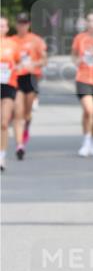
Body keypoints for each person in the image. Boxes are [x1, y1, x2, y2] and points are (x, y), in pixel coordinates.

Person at [13, 12, 47, 160]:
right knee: (18, 112)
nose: (22, 26)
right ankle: (20, 145)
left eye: (25, 23)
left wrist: (34, 63)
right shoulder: (11, 40)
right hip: (16, 78)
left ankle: (26, 127)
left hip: (31, 77)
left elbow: (44, 60)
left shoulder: (36, 41)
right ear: (16, 25)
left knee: (27, 112)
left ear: (29, 25)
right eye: (20, 23)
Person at [71, 11, 93, 157]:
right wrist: (78, 60)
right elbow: (73, 55)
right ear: (86, 23)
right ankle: (86, 141)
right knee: (89, 110)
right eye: (89, 21)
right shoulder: (80, 38)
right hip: (83, 78)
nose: (92, 24)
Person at [0, 16, 21, 172]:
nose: (1, 28)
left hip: (8, 84)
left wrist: (14, 67)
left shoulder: (13, 44)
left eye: (3, 26)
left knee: (4, 122)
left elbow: (21, 63)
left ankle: (1, 156)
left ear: (7, 28)